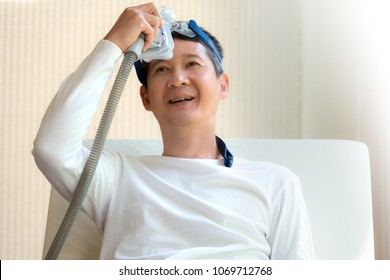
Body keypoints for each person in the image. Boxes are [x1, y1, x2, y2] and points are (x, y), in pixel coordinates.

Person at [32, 3, 315, 259]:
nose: (178, 79)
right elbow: (51, 149)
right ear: (146, 98)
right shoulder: (116, 178)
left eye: (192, 64)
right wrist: (114, 43)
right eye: (162, 70)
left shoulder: (275, 183)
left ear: (223, 85)